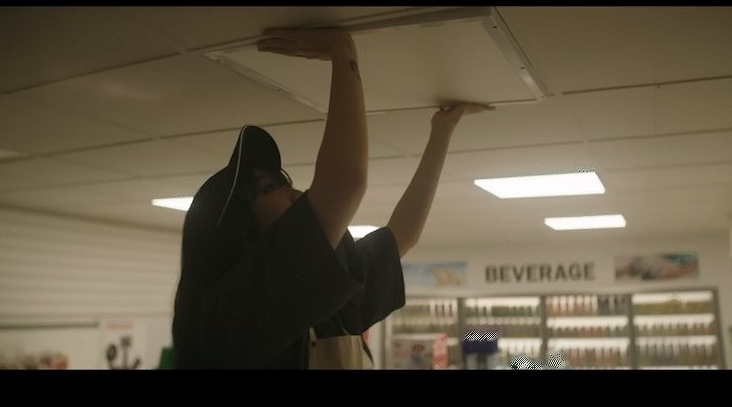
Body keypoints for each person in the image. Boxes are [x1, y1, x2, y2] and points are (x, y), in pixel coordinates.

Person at [171, 28, 493, 369]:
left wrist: (442, 131)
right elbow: (345, 183)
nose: (296, 193)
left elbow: (403, 233)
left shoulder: (321, 294)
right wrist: (342, 51)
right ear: (236, 226)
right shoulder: (231, 312)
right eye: (270, 188)